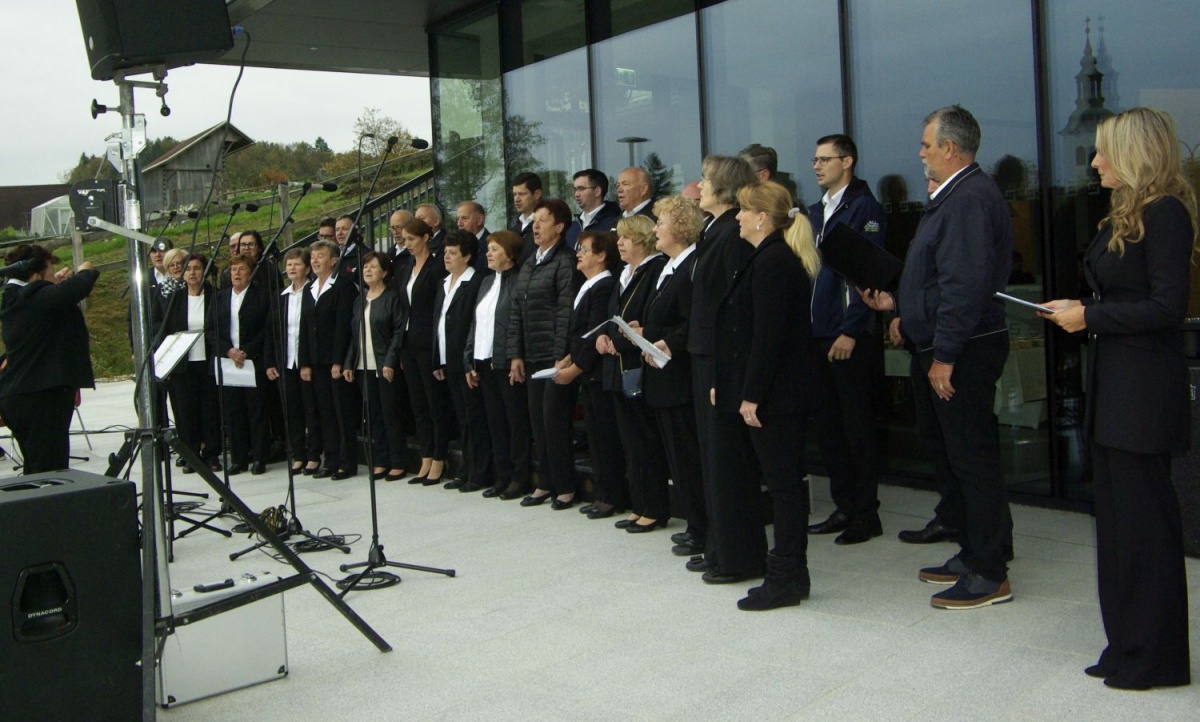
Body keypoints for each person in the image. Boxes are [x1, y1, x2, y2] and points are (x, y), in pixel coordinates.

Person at [1041, 107, 1196, 690]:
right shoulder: (1122, 215)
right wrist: (1076, 311)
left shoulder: (1167, 213)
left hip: (1142, 395)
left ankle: (1155, 658)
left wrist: (1091, 317)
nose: (1096, 161)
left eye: (1105, 152)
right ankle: (1126, 643)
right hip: (1112, 387)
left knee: (1145, 530)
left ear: (1135, 154)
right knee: (1116, 529)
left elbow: (1167, 308)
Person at [862, 104, 1014, 610]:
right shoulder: (952, 198)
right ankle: (973, 553)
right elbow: (934, 278)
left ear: (950, 148)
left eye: (927, 145)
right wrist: (902, 308)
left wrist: (945, 355)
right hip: (941, 344)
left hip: (963, 350)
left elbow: (964, 286)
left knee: (971, 458)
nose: (920, 153)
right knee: (952, 455)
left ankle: (990, 572)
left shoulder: (969, 197)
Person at [714, 180, 819, 611]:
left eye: (742, 210)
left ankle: (786, 577)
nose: (736, 217)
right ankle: (792, 574)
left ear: (762, 217)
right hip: (774, 394)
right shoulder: (766, 258)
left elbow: (768, 338)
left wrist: (751, 395)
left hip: (778, 398)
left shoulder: (773, 261)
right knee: (782, 486)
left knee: (784, 488)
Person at [805, 133, 888, 545]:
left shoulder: (864, 208)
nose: (817, 166)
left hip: (846, 336)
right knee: (829, 427)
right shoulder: (815, 210)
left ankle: (865, 514)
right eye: (815, 159)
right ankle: (843, 506)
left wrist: (851, 330)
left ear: (848, 161)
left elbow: (866, 274)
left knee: (856, 427)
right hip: (818, 336)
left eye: (825, 159)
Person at [684, 154, 758, 572]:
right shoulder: (716, 230)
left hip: (719, 360)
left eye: (706, 179)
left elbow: (734, 310)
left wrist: (727, 370)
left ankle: (736, 555)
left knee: (726, 460)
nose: (700, 186)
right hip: (704, 356)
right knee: (712, 459)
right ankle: (719, 547)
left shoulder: (732, 233)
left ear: (724, 187)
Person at [640, 196, 704, 551]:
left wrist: (668, 341)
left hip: (679, 379)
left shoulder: (691, 265)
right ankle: (695, 523)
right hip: (662, 379)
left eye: (660, 223)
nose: (654, 230)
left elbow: (693, 319)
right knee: (678, 458)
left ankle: (700, 527)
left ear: (679, 228)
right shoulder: (669, 266)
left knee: (688, 458)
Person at [0, 245, 98, 474]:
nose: (55, 274)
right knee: (49, 472)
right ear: (35, 275)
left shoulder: (16, 298)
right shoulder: (32, 297)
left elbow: (49, 299)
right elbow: (77, 288)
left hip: (23, 395)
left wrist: (50, 283)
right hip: (40, 397)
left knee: (39, 468)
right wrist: (86, 270)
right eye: (50, 270)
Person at [597, 214, 668, 532]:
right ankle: (640, 504)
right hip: (619, 369)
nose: (619, 243)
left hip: (639, 368)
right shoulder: (624, 273)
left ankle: (654, 506)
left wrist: (619, 341)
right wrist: (604, 335)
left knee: (646, 441)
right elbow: (615, 317)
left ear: (641, 239)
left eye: (625, 238)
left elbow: (644, 319)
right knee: (630, 442)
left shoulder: (653, 270)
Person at [507, 198, 579, 509]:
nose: (536, 226)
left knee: (554, 423)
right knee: (537, 422)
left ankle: (566, 485)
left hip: (554, 357)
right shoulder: (530, 261)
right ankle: (545, 481)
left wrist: (560, 354)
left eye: (543, 221)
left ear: (560, 227)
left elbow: (565, 311)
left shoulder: (565, 261)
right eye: (534, 221)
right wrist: (516, 354)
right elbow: (516, 311)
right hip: (531, 354)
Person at [554, 230, 624, 519]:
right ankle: (603, 493)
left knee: (606, 438)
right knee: (595, 437)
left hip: (597, 372)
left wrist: (574, 369)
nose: (578, 254)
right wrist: (567, 357)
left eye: (584, 249)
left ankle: (612, 496)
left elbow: (595, 331)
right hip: (588, 372)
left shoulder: (604, 285)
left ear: (602, 255)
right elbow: (580, 333)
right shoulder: (588, 284)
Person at [465, 230, 533, 500]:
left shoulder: (518, 281)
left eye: (494, 249)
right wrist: (469, 359)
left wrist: (515, 354)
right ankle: (502, 475)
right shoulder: (485, 282)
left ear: (510, 254)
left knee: (515, 423)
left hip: (506, 362)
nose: (488, 254)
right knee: (495, 423)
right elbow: (476, 323)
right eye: (488, 249)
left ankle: (520, 477)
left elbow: (518, 323)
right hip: (483, 362)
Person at [342, 251, 408, 482]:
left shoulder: (392, 298)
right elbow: (354, 335)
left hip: (384, 364)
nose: (367, 270)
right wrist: (349, 362)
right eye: (365, 267)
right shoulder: (360, 300)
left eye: (372, 267)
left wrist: (390, 361)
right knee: (373, 416)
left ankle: (398, 461)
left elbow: (398, 332)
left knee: (391, 414)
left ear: (385, 272)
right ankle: (381, 460)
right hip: (363, 366)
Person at [396, 217, 450, 485]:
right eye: (404, 240)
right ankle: (426, 454)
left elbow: (438, 307)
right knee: (418, 404)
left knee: (434, 403)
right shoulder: (406, 268)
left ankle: (440, 456)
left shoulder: (437, 266)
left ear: (426, 238)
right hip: (409, 343)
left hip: (428, 342)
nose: (407, 245)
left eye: (412, 239)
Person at [208, 253, 274, 476]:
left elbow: (267, 329)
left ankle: (259, 456)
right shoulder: (219, 298)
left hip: (252, 361)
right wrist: (229, 351)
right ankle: (238, 458)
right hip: (228, 361)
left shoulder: (262, 297)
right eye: (233, 269)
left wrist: (246, 351)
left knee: (256, 410)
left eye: (241, 269)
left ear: (250, 273)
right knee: (233, 412)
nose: (236, 273)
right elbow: (211, 330)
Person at [299, 239, 359, 480]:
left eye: (320, 256)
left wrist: (338, 361)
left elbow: (344, 327)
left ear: (334, 260)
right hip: (315, 360)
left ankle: (347, 461)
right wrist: (304, 361)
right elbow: (305, 327)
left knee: (342, 411)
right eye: (313, 256)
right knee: (324, 412)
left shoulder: (343, 286)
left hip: (335, 361)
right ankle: (331, 458)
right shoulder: (309, 288)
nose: (315, 260)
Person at [433, 231, 487, 491]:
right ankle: (466, 468)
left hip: (466, 360)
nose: (447, 257)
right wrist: (438, 360)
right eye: (445, 252)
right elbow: (439, 322)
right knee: (461, 417)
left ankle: (478, 472)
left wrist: (468, 362)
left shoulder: (476, 281)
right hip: (448, 359)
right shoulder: (444, 282)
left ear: (467, 256)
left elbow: (472, 325)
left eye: (453, 253)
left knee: (473, 417)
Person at [159, 253, 221, 472]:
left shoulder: (216, 296)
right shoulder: (175, 299)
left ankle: (212, 454)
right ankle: (191, 454)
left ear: (204, 271)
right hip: (183, 364)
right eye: (188, 269)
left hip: (208, 362)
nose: (192, 273)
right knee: (185, 412)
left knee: (210, 410)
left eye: (196, 268)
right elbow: (166, 332)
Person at [266, 248, 321, 475]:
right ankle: (298, 454)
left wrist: (307, 362)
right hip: (286, 362)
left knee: (311, 410)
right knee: (292, 411)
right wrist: (270, 362)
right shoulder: (281, 296)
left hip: (306, 362)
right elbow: (272, 332)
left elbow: (312, 331)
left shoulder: (314, 292)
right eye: (288, 264)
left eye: (296, 264)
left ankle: (314, 455)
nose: (291, 268)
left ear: (307, 269)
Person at [566, 168, 621, 249]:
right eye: (575, 189)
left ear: (597, 191)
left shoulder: (614, 223)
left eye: (581, 189)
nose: (576, 194)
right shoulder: (572, 227)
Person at [510, 172, 543, 263]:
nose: (516, 199)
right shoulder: (513, 230)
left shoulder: (546, 227)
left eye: (522, 194)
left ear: (537, 194)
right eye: (514, 194)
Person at [455, 201, 491, 272]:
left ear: (480, 219)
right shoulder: (457, 244)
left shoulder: (491, 244)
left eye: (464, 218)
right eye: (458, 219)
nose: (459, 223)